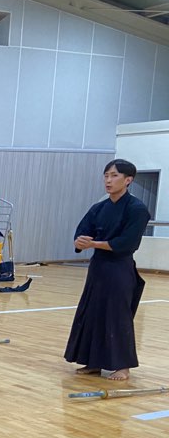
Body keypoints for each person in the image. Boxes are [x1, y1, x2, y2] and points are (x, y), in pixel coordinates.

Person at [65, 159, 150, 381]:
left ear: (128, 180)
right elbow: (83, 231)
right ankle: (93, 361)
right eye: (106, 176)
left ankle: (123, 366)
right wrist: (80, 241)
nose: (108, 181)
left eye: (114, 176)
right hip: (98, 268)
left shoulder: (137, 209)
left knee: (117, 315)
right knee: (92, 312)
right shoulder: (99, 208)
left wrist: (94, 243)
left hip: (120, 267)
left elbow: (127, 243)